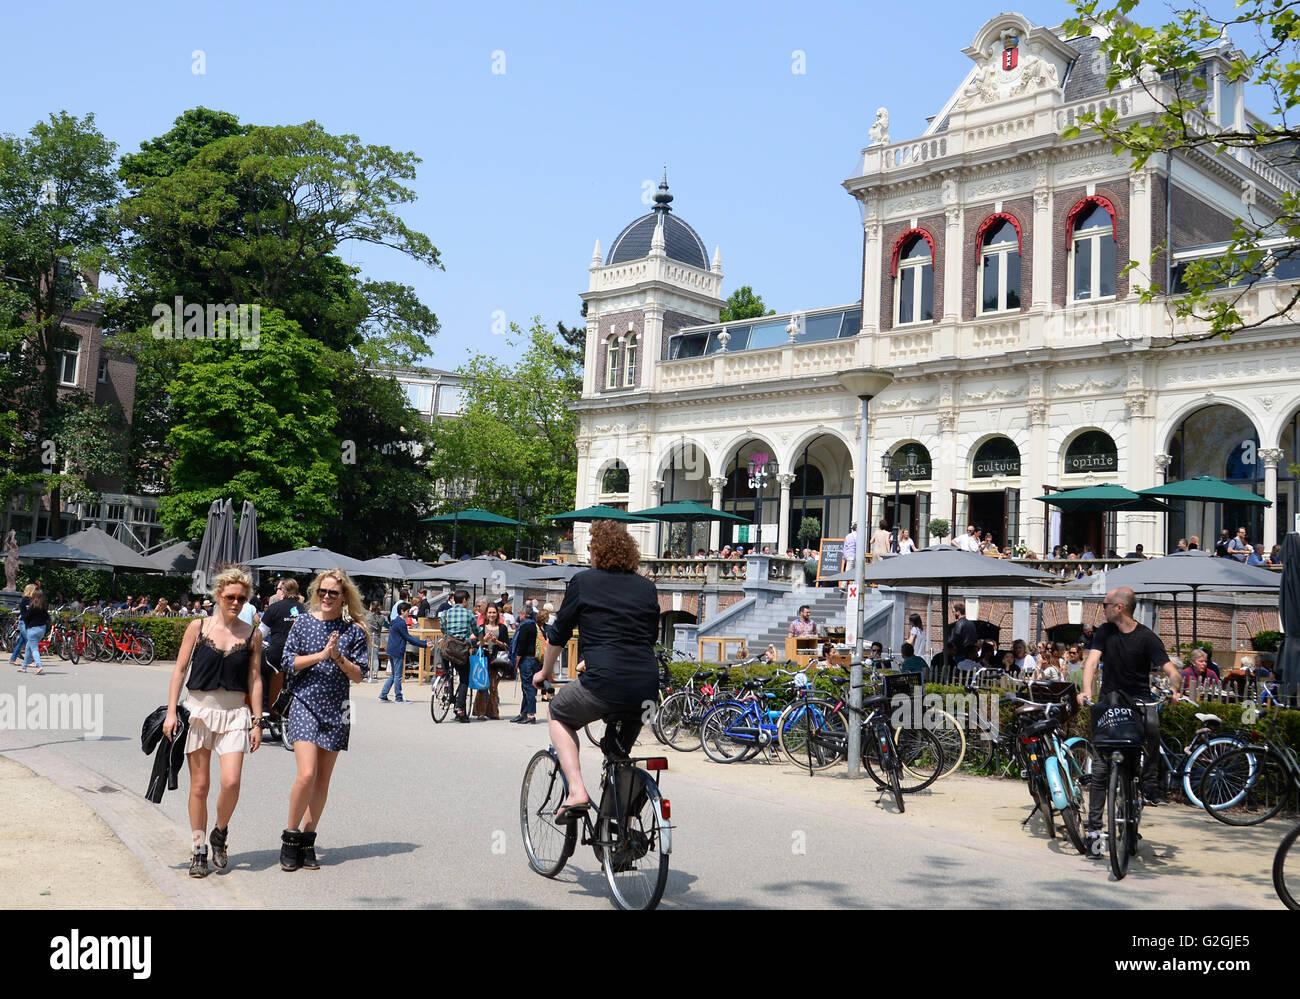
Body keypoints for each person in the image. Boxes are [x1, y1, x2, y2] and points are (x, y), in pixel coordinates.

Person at [534, 520, 659, 824]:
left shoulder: (584, 582)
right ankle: (622, 836)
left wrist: (545, 673)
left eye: (590, 548)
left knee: (558, 713)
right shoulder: (646, 587)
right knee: (619, 756)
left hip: (605, 682)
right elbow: (646, 638)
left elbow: (558, 635)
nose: (589, 554)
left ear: (598, 551)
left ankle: (576, 790)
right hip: (646, 689)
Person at [162, 568, 264, 878]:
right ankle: (198, 848)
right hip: (198, 712)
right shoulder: (198, 626)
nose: (235, 602)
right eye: (230, 596)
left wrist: (257, 721)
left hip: (235, 715)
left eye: (241, 598)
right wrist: (170, 711)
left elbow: (255, 678)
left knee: (231, 781)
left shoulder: (252, 633)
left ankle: (219, 834)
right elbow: (180, 670)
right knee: (200, 785)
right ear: (218, 596)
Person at [278, 568, 369, 872]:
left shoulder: (353, 630)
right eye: (323, 592)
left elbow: (359, 675)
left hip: (337, 708)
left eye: (334, 593)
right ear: (316, 593)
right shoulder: (303, 623)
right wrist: (320, 655)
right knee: (306, 774)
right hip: (304, 703)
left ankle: (308, 838)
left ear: (344, 597)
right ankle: (290, 836)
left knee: (322, 780)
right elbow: (287, 661)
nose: (327, 597)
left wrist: (338, 657)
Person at [1079, 587, 1182, 843]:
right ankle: (1093, 831)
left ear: (1119, 607)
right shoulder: (1105, 632)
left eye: (1105, 604)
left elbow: (1172, 670)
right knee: (1101, 770)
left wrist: (1175, 689)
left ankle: (1149, 786)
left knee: (1151, 729)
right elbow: (1091, 662)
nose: (1102, 608)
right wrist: (1086, 691)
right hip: (1110, 702)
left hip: (1138, 703)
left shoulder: (1147, 637)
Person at [439, 590, 482, 722]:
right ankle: (460, 709)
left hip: (447, 649)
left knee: (448, 672)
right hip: (461, 651)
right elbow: (476, 631)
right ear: (464, 600)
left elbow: (443, 630)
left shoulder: (445, 613)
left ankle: (447, 685)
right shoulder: (468, 614)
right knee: (464, 679)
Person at [380, 602, 427, 703]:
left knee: (393, 675)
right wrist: (424, 644)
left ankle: (383, 694)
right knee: (398, 675)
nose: (408, 613)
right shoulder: (401, 623)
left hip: (391, 649)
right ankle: (398, 697)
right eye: (407, 611)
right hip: (398, 650)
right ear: (402, 611)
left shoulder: (395, 621)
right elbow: (408, 638)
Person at [472, 603, 509, 720]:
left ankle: (493, 712)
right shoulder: (481, 627)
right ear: (486, 614)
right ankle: (480, 712)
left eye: (494, 612)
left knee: (493, 687)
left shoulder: (502, 628)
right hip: (484, 658)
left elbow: (506, 645)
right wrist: (484, 639)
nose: (492, 615)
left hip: (497, 658)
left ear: (497, 614)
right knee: (482, 685)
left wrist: (496, 641)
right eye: (490, 612)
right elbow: (476, 644)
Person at [510, 605, 542, 724]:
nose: (519, 615)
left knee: (528, 687)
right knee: (528, 687)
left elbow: (521, 647)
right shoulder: (535, 625)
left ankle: (531, 715)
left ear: (523, 614)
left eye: (519, 613)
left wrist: (516, 661)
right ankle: (523, 713)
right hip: (536, 660)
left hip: (526, 660)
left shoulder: (524, 627)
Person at [17, 589, 50, 675]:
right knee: (28, 647)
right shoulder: (43, 607)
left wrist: (28, 626)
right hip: (41, 630)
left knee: (34, 649)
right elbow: (47, 618)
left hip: (32, 629)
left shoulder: (32, 607)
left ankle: (39, 666)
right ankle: (24, 667)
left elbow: (26, 618)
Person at [9, 583, 36, 668]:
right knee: (30, 641)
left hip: (25, 622)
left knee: (21, 642)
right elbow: (28, 612)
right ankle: (29, 661)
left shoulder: (27, 600)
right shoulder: (26, 600)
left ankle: (13, 659)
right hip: (24, 623)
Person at [950, 602, 979, 666]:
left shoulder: (959, 624)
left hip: (960, 654)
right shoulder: (972, 624)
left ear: (958, 612)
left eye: (954, 612)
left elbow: (955, 639)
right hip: (970, 655)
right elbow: (975, 639)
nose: (954, 613)